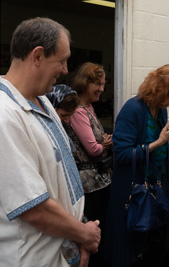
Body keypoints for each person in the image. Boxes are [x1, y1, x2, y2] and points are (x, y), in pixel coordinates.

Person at [0, 17, 101, 267]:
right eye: (62, 60)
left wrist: (80, 233)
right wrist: (84, 234)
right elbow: (33, 208)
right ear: (37, 56)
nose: (66, 70)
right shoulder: (5, 115)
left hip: (63, 250)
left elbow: (62, 183)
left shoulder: (43, 101)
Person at [104, 64, 169, 267]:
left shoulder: (160, 110)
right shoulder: (132, 110)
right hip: (132, 195)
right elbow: (122, 155)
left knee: (152, 250)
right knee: (129, 253)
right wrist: (158, 142)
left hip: (153, 191)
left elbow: (160, 149)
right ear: (161, 88)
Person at [65, 62, 113, 266]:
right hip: (89, 186)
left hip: (100, 180)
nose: (102, 89)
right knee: (92, 234)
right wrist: (104, 144)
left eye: (103, 84)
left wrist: (103, 141)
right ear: (85, 83)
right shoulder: (77, 109)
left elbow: (98, 139)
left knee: (100, 233)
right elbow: (93, 149)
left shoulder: (89, 107)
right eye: (98, 84)